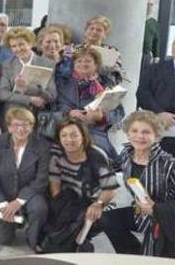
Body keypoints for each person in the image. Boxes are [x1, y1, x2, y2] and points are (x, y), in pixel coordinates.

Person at [100, 110, 175, 257]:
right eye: (134, 131)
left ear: (157, 136)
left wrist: (156, 209)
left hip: (166, 220)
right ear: (128, 134)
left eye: (146, 132)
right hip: (140, 214)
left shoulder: (169, 164)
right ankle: (132, 254)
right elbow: (111, 169)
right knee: (106, 219)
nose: (139, 136)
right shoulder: (127, 154)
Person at [41, 119, 117, 253]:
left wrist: (98, 203)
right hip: (65, 200)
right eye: (64, 135)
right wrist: (58, 209)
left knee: (60, 239)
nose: (69, 140)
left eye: (74, 135)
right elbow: (55, 185)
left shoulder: (95, 155)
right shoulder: (56, 153)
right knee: (55, 214)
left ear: (83, 136)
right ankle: (71, 241)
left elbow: (110, 188)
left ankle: (74, 243)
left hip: (90, 202)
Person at [0, 106, 51, 252]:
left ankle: (33, 238)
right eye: (16, 125)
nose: (21, 129)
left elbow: (41, 179)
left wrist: (19, 201)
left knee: (39, 208)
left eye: (26, 124)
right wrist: (2, 204)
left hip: (29, 195)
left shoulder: (42, 146)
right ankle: (12, 221)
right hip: (3, 195)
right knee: (4, 239)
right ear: (8, 127)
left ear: (32, 126)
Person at [56, 47, 124, 160]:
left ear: (96, 65)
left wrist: (102, 117)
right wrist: (69, 113)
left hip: (95, 133)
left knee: (100, 157)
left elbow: (119, 113)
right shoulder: (63, 83)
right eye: (79, 61)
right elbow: (54, 107)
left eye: (88, 61)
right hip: (68, 132)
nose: (83, 64)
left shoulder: (107, 84)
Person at [0, 27, 57, 118]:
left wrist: (29, 87)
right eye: (14, 46)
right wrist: (30, 99)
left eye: (21, 44)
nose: (18, 49)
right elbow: (3, 93)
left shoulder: (47, 64)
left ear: (30, 44)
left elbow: (52, 95)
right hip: (13, 113)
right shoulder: (8, 64)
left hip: (38, 115)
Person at [138, 38, 175, 157]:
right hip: (156, 125)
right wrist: (160, 113)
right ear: (173, 48)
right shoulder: (154, 69)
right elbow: (142, 93)